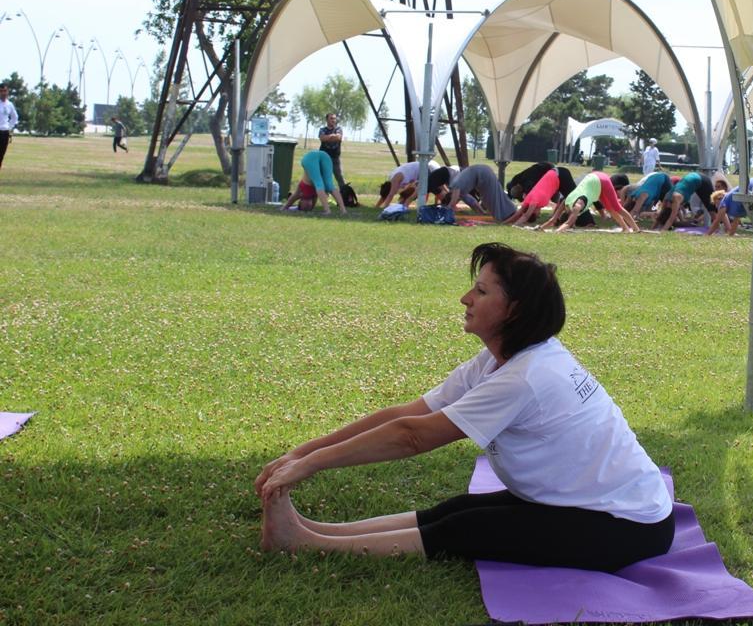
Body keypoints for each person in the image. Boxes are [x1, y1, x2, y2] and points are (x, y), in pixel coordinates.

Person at [255, 243, 674, 572]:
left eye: (481, 290)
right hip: (592, 503)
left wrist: (313, 465)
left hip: (629, 526)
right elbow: (409, 413)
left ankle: (306, 545)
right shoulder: (503, 358)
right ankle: (312, 530)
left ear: (515, 310)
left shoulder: (524, 376)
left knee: (467, 528)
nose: (464, 298)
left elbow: (413, 436)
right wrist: (303, 452)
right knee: (460, 508)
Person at [540, 171, 640, 233]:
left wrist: (558, 231)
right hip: (593, 180)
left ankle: (635, 229)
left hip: (601, 179)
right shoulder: (566, 201)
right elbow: (553, 219)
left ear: (569, 213)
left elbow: (568, 223)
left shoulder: (577, 207)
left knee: (617, 207)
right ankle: (625, 228)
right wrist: (540, 228)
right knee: (610, 208)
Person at [280, 150, 348, 215]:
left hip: (309, 158)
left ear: (301, 201)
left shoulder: (301, 192)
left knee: (319, 183)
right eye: (308, 208)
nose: (307, 206)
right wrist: (311, 208)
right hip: (324, 155)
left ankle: (329, 210)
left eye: (304, 207)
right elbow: (316, 199)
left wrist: (285, 207)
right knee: (329, 185)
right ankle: (343, 210)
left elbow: (292, 198)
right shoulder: (314, 196)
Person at [442, 164, 516, 221]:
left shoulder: (455, 187)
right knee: (488, 198)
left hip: (483, 172)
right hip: (483, 172)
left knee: (492, 197)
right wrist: (482, 213)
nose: (457, 201)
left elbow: (451, 204)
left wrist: (443, 214)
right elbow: (472, 202)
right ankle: (508, 213)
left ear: (451, 195)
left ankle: (506, 215)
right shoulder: (460, 192)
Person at [318, 113, 345, 187]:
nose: (333, 120)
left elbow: (338, 137)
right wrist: (332, 136)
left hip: (335, 158)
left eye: (334, 118)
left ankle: (344, 195)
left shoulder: (338, 129)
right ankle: (323, 196)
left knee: (340, 177)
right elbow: (322, 138)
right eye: (331, 118)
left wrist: (328, 137)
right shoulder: (322, 129)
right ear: (327, 120)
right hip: (324, 158)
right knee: (322, 178)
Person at [0, 83, 18, 171]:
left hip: (4, 132)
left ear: (8, 92)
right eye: (1, 91)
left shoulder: (9, 104)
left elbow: (15, 117)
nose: (3, 93)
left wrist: (9, 127)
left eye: (5, 91)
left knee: (1, 155)